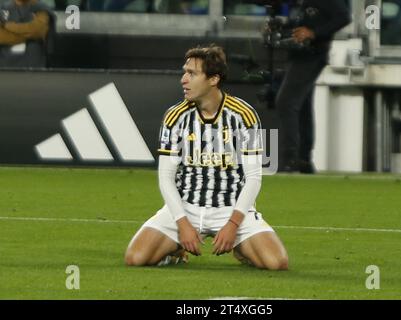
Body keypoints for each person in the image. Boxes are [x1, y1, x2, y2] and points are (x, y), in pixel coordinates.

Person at [125, 45, 288, 270]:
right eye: (184, 72)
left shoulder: (244, 115)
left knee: (277, 263)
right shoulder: (175, 116)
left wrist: (233, 224)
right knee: (135, 258)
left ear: (213, 79)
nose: (183, 79)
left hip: (231, 208)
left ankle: (241, 247)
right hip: (186, 207)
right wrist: (182, 224)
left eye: (191, 74)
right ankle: (176, 251)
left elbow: (253, 178)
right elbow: (166, 177)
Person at [275, 0, 351, 173]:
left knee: (286, 102)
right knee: (302, 106)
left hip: (312, 54)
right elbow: (303, 20)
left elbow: (344, 17)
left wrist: (314, 33)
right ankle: (303, 160)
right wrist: (283, 27)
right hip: (300, 54)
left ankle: (290, 160)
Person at [0, 0, 55, 68]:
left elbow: (38, 31)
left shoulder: (41, 7)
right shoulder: (3, 8)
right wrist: (30, 34)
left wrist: (7, 25)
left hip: (34, 67)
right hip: (5, 67)